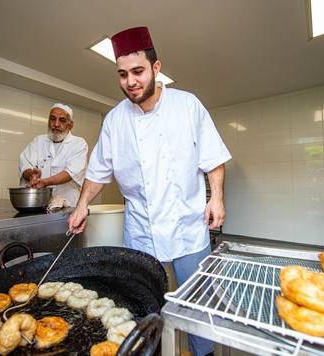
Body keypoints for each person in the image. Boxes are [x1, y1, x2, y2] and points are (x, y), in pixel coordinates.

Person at [67, 27, 231, 356]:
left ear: (156, 68)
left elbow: (213, 159)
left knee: (196, 302)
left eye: (138, 71)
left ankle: (205, 353)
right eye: (123, 74)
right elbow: (98, 171)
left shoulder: (188, 105)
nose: (131, 81)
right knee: (142, 303)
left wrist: (216, 197)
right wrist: (82, 204)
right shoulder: (115, 120)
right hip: (140, 229)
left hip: (187, 225)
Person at [19, 103, 88, 207]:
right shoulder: (38, 141)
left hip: (68, 206)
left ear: (70, 125)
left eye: (62, 120)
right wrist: (31, 175)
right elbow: (25, 164)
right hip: (39, 204)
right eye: (52, 119)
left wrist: (45, 182)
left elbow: (71, 173)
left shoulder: (78, 144)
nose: (56, 124)